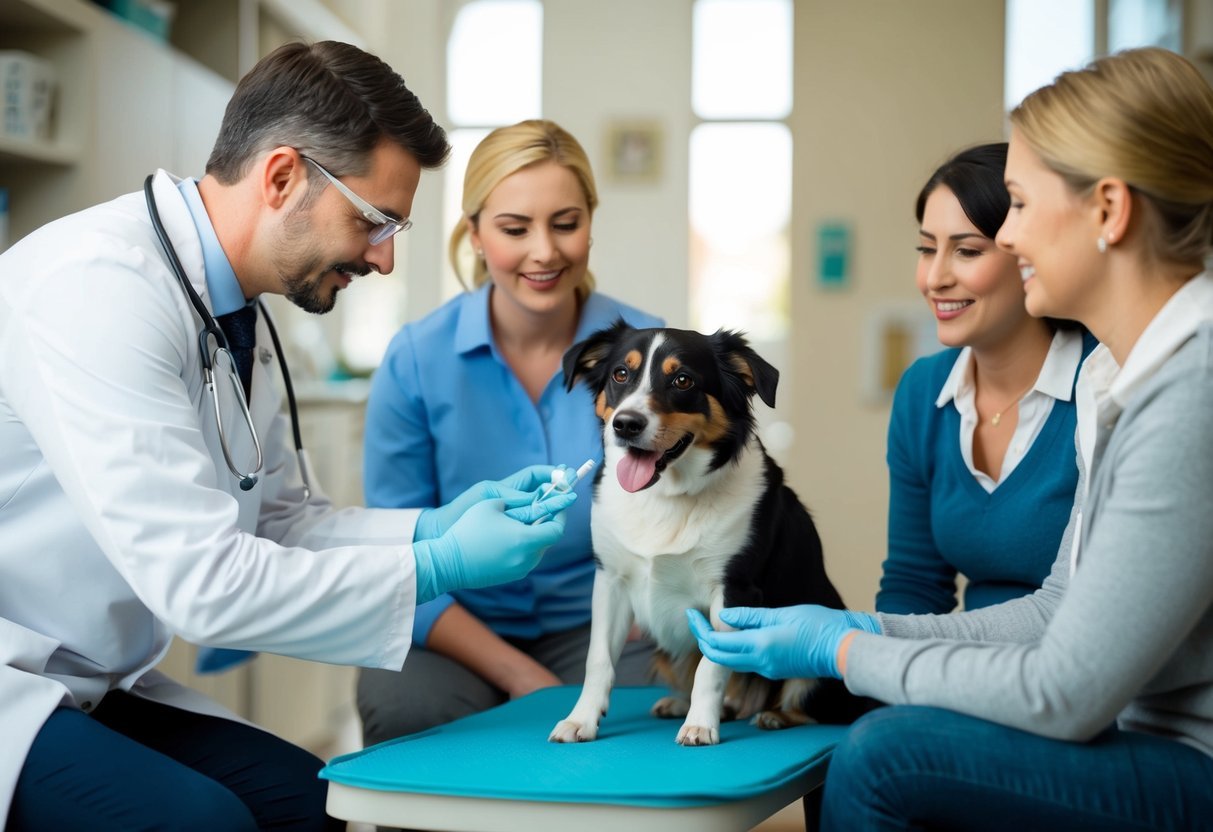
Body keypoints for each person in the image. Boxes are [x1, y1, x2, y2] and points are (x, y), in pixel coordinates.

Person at [0, 42, 578, 832]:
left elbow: (280, 518)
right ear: (280, 177)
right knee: (206, 823)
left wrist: (430, 525)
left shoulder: (236, 312)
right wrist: (435, 564)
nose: (384, 256)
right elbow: (203, 585)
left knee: (317, 804)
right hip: (12, 678)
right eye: (374, 220)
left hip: (81, 674)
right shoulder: (96, 289)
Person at [689, 47, 1213, 830]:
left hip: (1187, 761)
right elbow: (1057, 607)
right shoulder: (1126, 382)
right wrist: (859, 628)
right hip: (1132, 734)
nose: (1014, 237)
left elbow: (1065, 693)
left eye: (1021, 208)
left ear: (1108, 210)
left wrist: (841, 655)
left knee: (884, 756)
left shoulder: (1189, 392)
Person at [356, 119, 662, 749]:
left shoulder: (649, 351)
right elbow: (395, 552)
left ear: (591, 223)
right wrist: (523, 676)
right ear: (474, 234)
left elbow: (681, 510)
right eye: (515, 229)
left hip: (607, 622)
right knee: (407, 716)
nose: (545, 252)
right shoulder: (417, 359)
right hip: (451, 631)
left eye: (566, 223)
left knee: (644, 735)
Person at [878, 143, 1096, 615]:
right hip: (964, 673)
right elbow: (914, 584)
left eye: (967, 251)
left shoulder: (1107, 380)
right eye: (926, 249)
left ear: (1029, 254)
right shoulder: (922, 394)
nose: (934, 278)